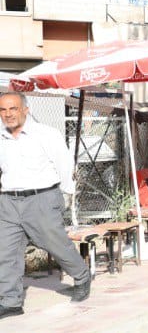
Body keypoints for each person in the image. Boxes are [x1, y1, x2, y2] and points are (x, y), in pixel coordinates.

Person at [0, 91, 92, 317]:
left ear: (25, 109)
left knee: (55, 244)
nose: (8, 114)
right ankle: (11, 301)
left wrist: (67, 195)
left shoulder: (46, 134)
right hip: (8, 201)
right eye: (3, 110)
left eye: (13, 108)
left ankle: (81, 276)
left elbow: (64, 163)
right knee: (6, 252)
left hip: (42, 198)